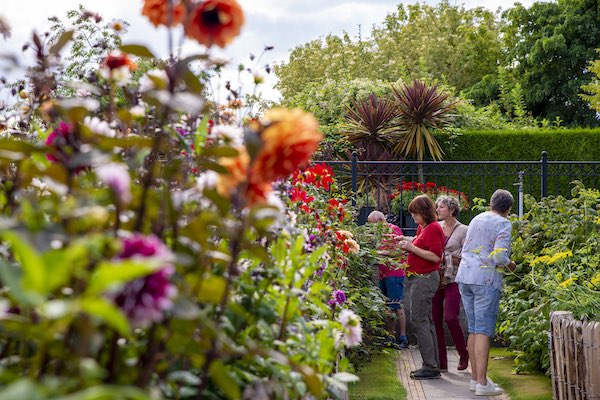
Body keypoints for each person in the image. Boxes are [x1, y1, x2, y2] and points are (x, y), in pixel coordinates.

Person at [455, 189, 516, 396]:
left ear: (491, 203)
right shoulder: (503, 223)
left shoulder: (477, 218)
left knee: (473, 328)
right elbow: (499, 258)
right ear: (508, 209)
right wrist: (512, 265)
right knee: (483, 330)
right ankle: (482, 383)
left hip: (464, 275)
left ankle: (474, 380)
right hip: (485, 278)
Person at [399, 195, 444, 380]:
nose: (413, 216)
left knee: (419, 320)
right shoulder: (424, 227)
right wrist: (404, 239)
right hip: (420, 278)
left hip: (425, 279)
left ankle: (430, 365)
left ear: (424, 211)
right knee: (426, 321)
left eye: (415, 213)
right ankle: (433, 364)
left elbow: (436, 256)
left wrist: (411, 247)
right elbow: (420, 242)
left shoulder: (433, 228)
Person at [433, 196, 469, 372]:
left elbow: (467, 256)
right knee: (435, 319)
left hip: (453, 279)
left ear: (451, 210)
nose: (437, 210)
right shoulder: (436, 227)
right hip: (435, 278)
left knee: (450, 317)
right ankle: (442, 361)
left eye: (440, 207)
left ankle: (463, 354)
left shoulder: (463, 230)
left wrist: (446, 258)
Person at [367, 210, 409, 349]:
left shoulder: (393, 230)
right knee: (387, 306)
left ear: (380, 221)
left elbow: (400, 250)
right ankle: (390, 336)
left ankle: (403, 337)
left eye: (373, 225)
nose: (372, 228)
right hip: (383, 273)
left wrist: (381, 253)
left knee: (396, 304)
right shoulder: (380, 235)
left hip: (394, 273)